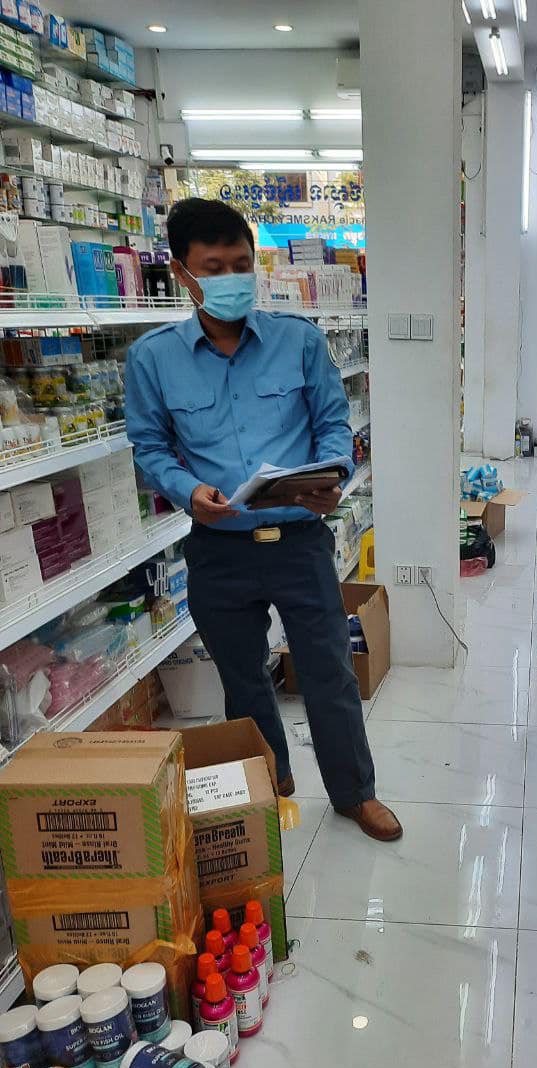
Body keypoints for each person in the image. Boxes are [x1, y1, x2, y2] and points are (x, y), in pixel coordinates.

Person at [125, 197, 402, 843]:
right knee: (243, 678)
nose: (231, 278)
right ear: (182, 273)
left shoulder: (297, 341)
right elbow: (150, 447)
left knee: (329, 672)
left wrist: (332, 475)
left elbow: (333, 424)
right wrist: (187, 489)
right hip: (218, 548)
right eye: (213, 267)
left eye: (241, 264)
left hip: (298, 541)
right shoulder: (153, 358)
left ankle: (355, 794)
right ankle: (267, 787)